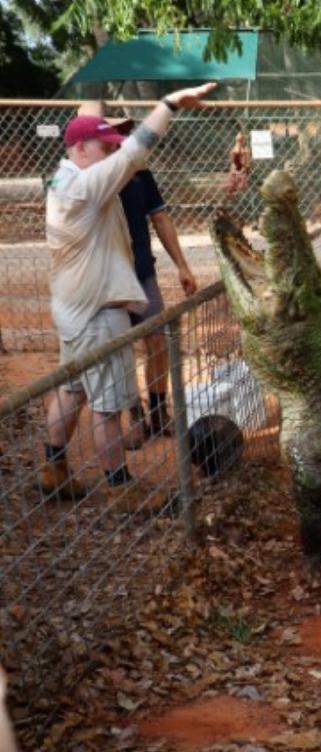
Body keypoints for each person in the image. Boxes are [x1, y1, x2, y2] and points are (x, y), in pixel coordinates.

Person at [38, 83, 217, 514]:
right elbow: (134, 153)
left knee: (73, 389)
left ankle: (54, 469)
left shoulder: (66, 177)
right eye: (105, 145)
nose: (113, 152)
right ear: (82, 148)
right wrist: (169, 105)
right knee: (110, 405)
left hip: (76, 307)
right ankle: (121, 489)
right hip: (98, 312)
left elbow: (128, 159)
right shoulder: (82, 186)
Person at [77, 100, 198, 439]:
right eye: (107, 132)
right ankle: (134, 414)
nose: (115, 137)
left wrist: (183, 265)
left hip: (141, 274)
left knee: (157, 342)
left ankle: (159, 412)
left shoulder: (139, 171)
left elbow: (159, 217)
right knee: (119, 352)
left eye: (117, 131)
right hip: (104, 283)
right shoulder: (80, 178)